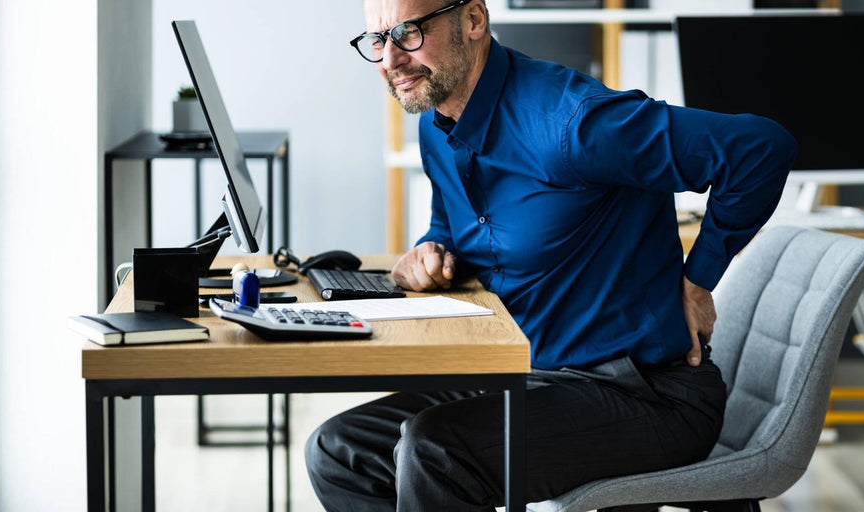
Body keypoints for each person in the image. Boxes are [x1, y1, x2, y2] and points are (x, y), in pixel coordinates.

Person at [305, 0, 796, 510]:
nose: (389, 60)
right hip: (527, 374)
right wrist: (431, 253)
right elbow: (450, 225)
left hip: (646, 393)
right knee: (339, 450)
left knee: (436, 451)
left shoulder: (572, 123)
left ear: (473, 20)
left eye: (407, 33)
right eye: (377, 40)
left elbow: (759, 148)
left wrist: (699, 280)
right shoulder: (437, 122)